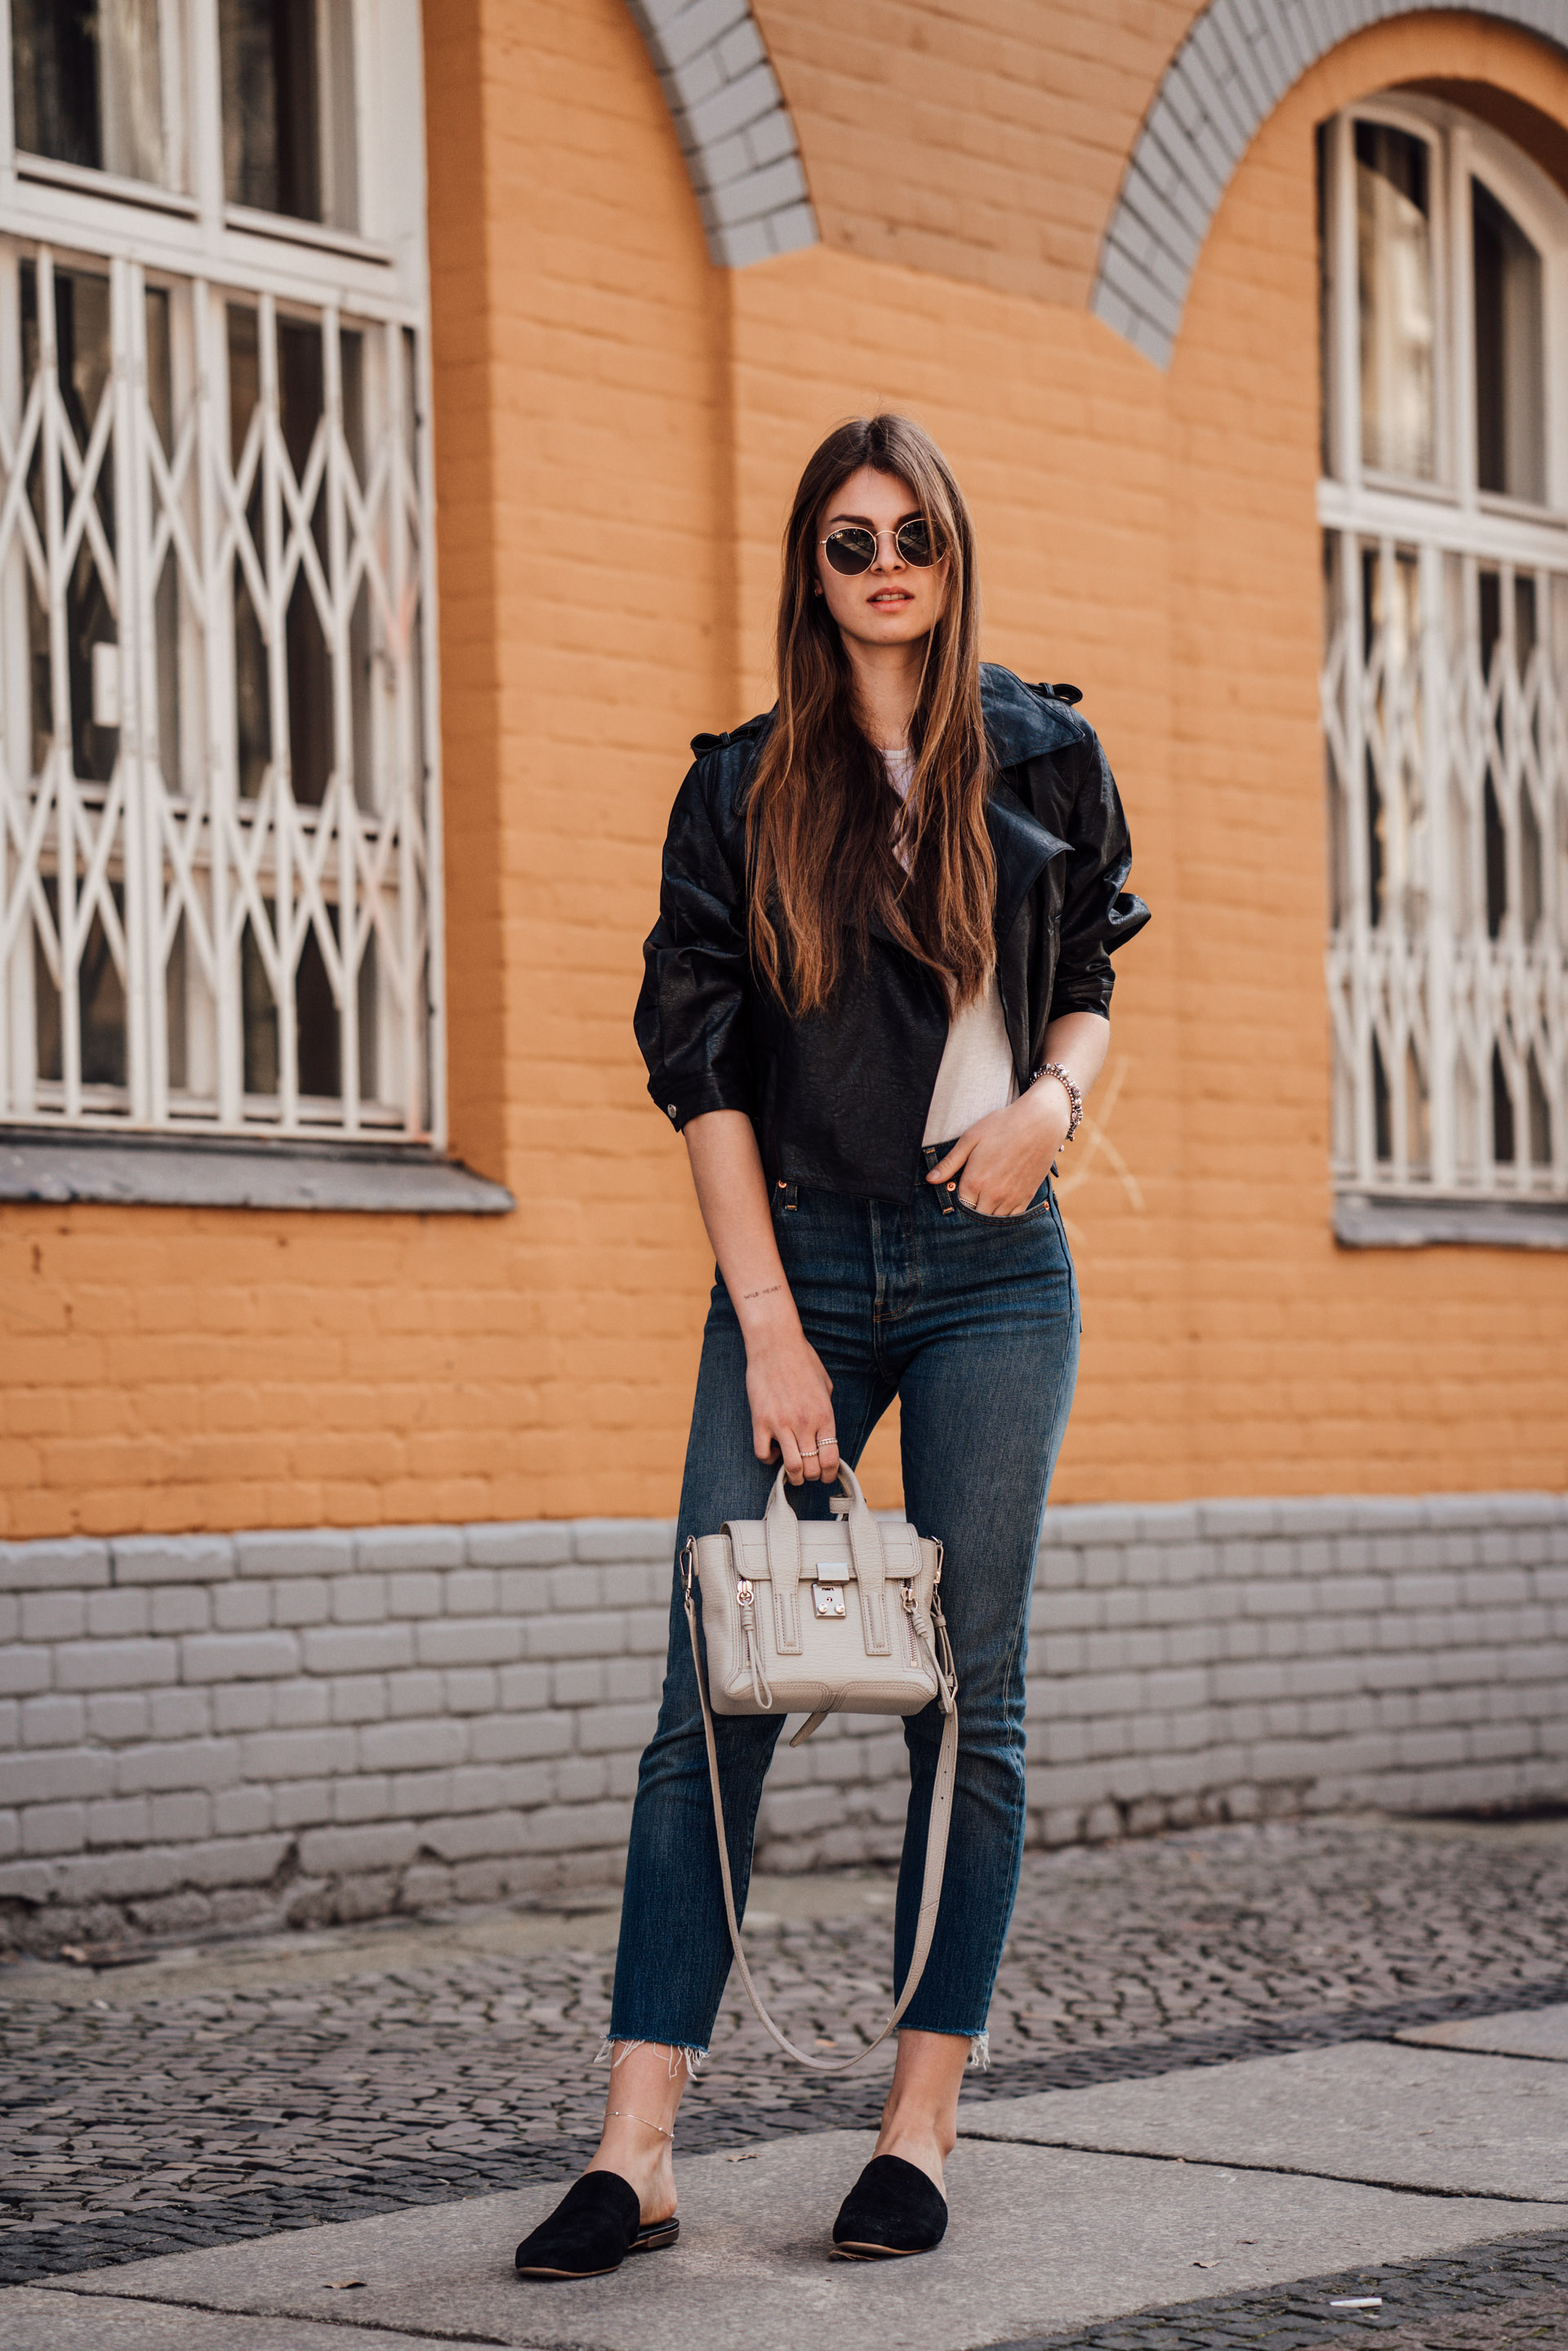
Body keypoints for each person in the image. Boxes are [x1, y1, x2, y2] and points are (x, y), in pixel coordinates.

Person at [514, 413, 1148, 2280]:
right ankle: (636, 2152)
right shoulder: (741, 787)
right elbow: (697, 1068)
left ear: (955, 559)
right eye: (851, 538)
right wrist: (774, 1335)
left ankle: (918, 2125)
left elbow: (1100, 964)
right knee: (714, 1694)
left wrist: (1050, 1098)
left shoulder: (1046, 749)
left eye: (917, 537)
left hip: (993, 1274)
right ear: (812, 566)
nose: (886, 564)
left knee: (976, 1707)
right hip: (794, 1267)